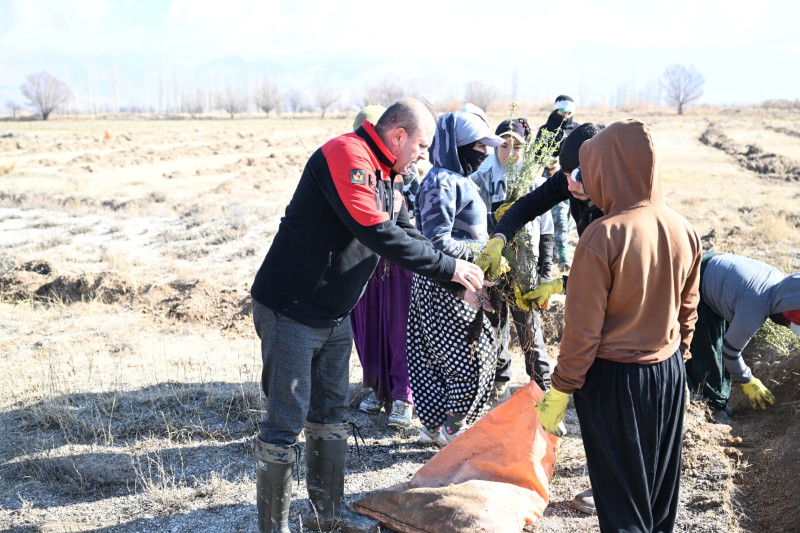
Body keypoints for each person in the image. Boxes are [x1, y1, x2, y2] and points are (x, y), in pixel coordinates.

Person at [249, 97, 486, 533]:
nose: (424, 156)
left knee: (332, 412)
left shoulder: (390, 176)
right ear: (398, 136)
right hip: (291, 310)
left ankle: (328, 517)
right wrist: (451, 267)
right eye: (421, 145)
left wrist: (461, 278)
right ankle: (273, 527)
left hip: (334, 313)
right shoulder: (347, 156)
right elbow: (375, 231)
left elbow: (409, 233)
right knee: (286, 418)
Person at [535, 119, 702, 533]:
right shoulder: (684, 229)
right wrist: (677, 358)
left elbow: (582, 332)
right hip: (668, 374)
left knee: (621, 502)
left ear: (609, 170)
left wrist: (561, 388)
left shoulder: (602, 236)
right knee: (659, 496)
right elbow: (688, 310)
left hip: (616, 383)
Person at [477, 121, 605, 515]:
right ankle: (606, 482)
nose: (569, 185)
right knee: (593, 394)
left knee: (608, 395)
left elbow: (616, 272)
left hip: (622, 304)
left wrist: (559, 284)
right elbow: (526, 207)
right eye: (564, 175)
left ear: (600, 167)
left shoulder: (618, 201)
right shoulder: (572, 181)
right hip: (595, 287)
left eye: (577, 176)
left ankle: (613, 488)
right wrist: (500, 236)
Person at [407, 103, 505, 448]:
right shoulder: (443, 182)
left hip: (449, 279)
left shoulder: (455, 179)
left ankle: (434, 427)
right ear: (456, 145)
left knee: (439, 356)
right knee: (469, 357)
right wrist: (481, 254)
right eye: (478, 145)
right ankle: (451, 427)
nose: (484, 153)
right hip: (448, 284)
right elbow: (436, 241)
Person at [471, 117, 555, 396]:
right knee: (493, 327)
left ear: (525, 147)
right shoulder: (481, 179)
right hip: (493, 268)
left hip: (525, 269)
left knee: (530, 332)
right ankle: (498, 382)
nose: (509, 152)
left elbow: (546, 231)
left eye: (516, 146)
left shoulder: (535, 182)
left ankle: (542, 392)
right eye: (503, 146)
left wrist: (545, 273)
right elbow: (474, 223)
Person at [348, 105, 419, 429]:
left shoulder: (408, 171)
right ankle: (378, 389)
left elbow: (408, 227)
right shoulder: (353, 171)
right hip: (365, 265)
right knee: (369, 331)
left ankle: (404, 396)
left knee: (399, 330)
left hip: (398, 266)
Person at [685, 252, 800, 422]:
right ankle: (710, 409)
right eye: (790, 323)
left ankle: (718, 403)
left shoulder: (780, 284)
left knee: (716, 350)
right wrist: (749, 381)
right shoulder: (755, 309)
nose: (790, 328)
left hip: (709, 266)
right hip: (697, 282)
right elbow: (730, 352)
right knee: (706, 356)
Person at [537, 95, 580, 272]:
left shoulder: (577, 131)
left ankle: (556, 249)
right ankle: (563, 258)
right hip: (552, 181)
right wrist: (547, 161)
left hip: (574, 180)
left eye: (570, 112)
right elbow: (536, 155)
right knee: (559, 218)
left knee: (568, 220)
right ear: (556, 110)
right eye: (563, 112)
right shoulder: (545, 130)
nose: (566, 116)